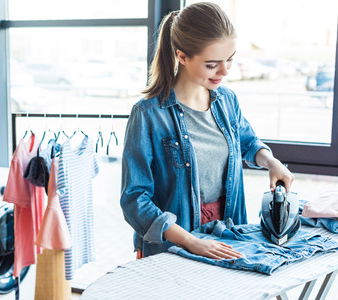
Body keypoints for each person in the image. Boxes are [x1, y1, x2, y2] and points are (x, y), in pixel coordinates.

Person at [120, 2, 295, 260]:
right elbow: (135, 200)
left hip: (229, 233)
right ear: (182, 56)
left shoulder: (226, 100)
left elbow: (247, 142)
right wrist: (191, 242)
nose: (224, 71)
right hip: (176, 246)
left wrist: (270, 161)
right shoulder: (148, 115)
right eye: (213, 64)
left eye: (230, 60)